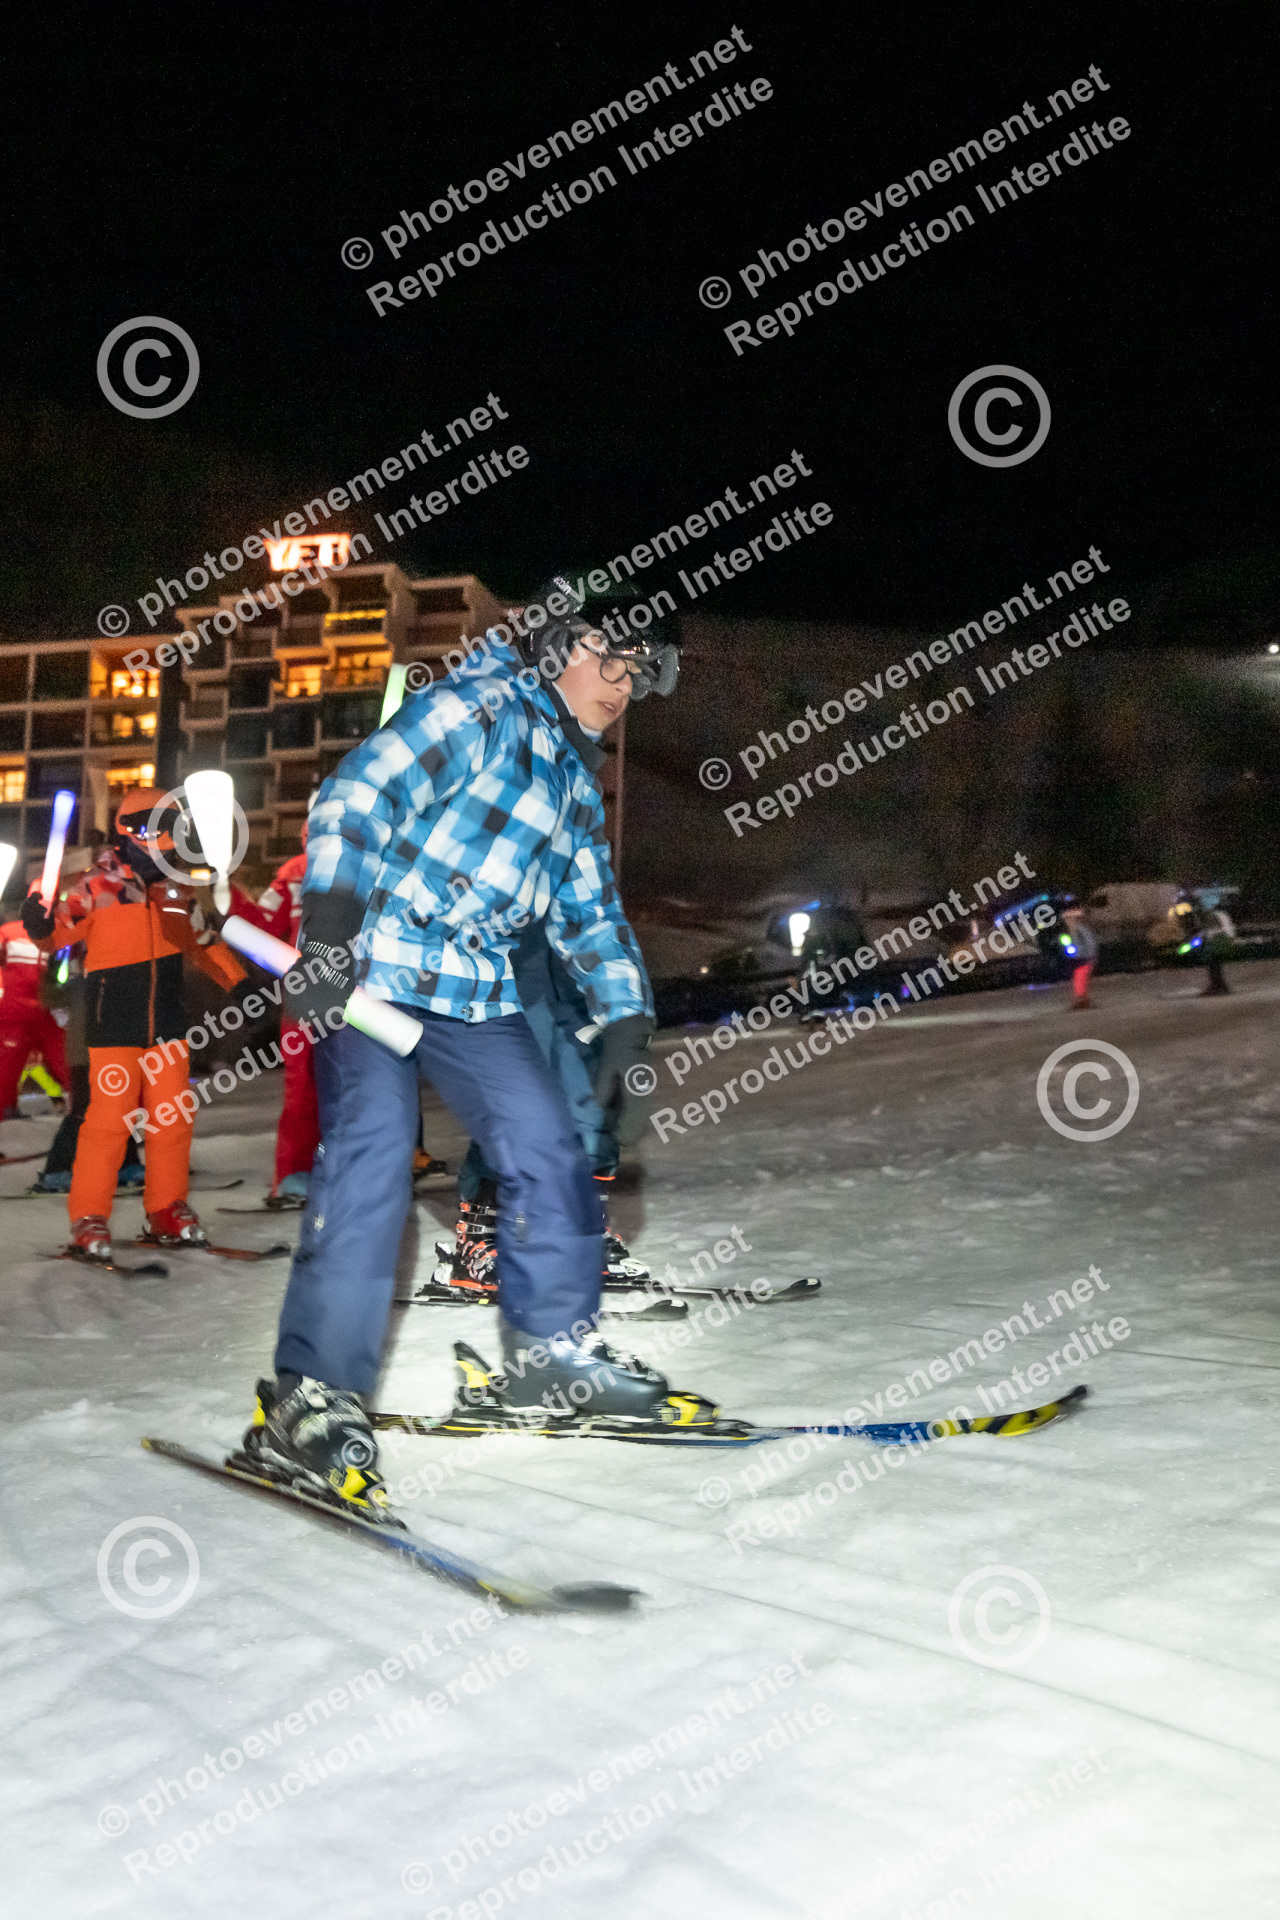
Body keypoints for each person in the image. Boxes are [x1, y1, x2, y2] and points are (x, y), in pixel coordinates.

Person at [244, 577, 680, 1513]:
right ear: (562, 644)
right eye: (614, 661)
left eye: (640, 673)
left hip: (476, 992)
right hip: (374, 972)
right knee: (371, 1153)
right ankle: (313, 1394)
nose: (624, 686)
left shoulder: (572, 780)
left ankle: (551, 1357)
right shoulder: (478, 707)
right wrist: (329, 927)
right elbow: (355, 796)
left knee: (550, 1147)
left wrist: (625, 1020)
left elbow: (590, 912)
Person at [22, 789, 246, 1262]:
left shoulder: (175, 890)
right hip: (114, 1025)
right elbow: (57, 933)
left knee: (173, 1119)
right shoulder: (96, 887)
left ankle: (166, 1207)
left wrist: (239, 983)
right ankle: (88, 1215)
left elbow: (203, 942)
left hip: (168, 1024)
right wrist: (39, 926)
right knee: (107, 1123)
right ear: (133, 833)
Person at [229, 827, 317, 1207]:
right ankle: (297, 1174)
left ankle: (352, 1171)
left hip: (355, 993)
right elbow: (261, 924)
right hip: (310, 996)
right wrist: (228, 894)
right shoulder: (295, 873)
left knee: (360, 1088)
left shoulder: (374, 863)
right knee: (306, 1091)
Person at [0, 912, 69, 1118]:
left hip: (38, 1011)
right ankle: (6, 1108)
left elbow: (54, 973)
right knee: (9, 1068)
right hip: (15, 1013)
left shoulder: (51, 934)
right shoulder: (9, 932)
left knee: (63, 1058)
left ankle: (89, 1101)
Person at [1060, 905, 1098, 1010]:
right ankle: (1082, 999)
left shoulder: (1080, 929)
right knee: (1079, 978)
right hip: (1079, 957)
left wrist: (1089, 955)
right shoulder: (1072, 930)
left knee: (1080, 978)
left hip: (1083, 957)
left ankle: (1081, 999)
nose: (1067, 921)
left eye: (1069, 919)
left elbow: (1090, 943)